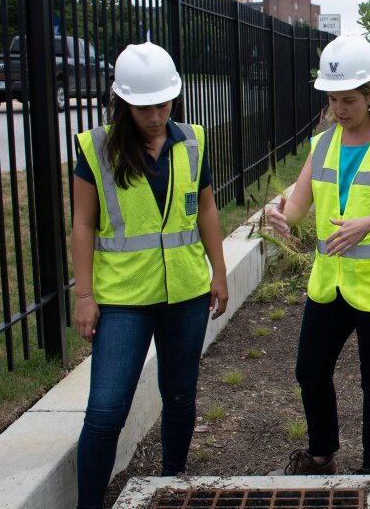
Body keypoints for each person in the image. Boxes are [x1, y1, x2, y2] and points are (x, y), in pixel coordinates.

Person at [71, 42, 229, 509]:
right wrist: (84, 295)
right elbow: (82, 224)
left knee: (179, 397)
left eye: (163, 104)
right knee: (106, 411)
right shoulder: (97, 149)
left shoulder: (193, 141)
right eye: (144, 108)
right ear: (122, 102)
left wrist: (219, 272)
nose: (156, 116)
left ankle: (171, 484)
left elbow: (206, 209)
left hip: (185, 292)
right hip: (123, 299)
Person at [267, 35, 370, 476]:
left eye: (349, 100)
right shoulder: (321, 146)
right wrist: (279, 215)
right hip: (331, 284)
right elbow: (297, 207)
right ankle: (322, 454)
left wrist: (369, 223)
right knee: (310, 370)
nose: (339, 110)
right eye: (332, 100)